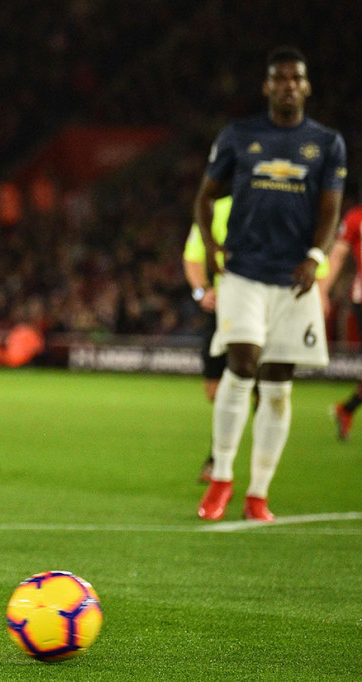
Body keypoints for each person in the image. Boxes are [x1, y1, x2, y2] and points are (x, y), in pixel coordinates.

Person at [194, 46, 346, 523]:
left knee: (278, 387)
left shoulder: (326, 143)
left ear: (306, 86)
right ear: (267, 87)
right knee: (241, 367)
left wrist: (315, 256)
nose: (287, 85)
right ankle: (221, 477)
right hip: (243, 272)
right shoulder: (239, 136)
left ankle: (258, 493)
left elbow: (329, 207)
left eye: (295, 78)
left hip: (294, 280)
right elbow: (205, 197)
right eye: (278, 79)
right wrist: (210, 245)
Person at [182, 195, 233, 483]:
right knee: (214, 390)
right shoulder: (215, 209)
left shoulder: (274, 199)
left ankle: (218, 460)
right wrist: (202, 291)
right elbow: (192, 256)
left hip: (262, 303)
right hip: (224, 307)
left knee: (263, 389)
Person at [318, 201, 362, 440]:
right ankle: (347, 409)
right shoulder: (356, 218)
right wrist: (322, 292)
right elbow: (336, 256)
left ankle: (346, 409)